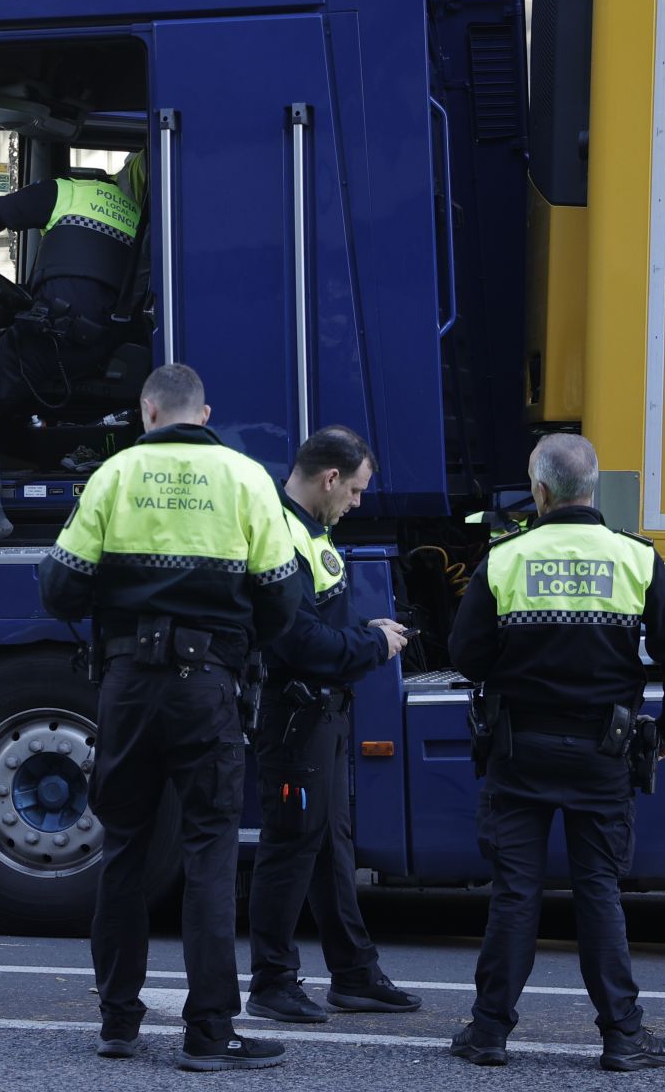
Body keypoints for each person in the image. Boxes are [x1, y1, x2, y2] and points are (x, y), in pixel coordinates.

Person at [39, 363, 308, 1071]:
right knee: (209, 853)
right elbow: (283, 601)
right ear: (203, 412)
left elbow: (61, 589)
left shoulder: (115, 475)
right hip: (207, 687)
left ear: (148, 411)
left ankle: (119, 1022)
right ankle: (208, 1034)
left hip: (127, 686)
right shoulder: (247, 478)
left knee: (125, 846)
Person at [446, 433, 665, 1071]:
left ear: (539, 490)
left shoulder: (506, 557)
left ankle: (487, 1035)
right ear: (592, 489)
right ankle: (622, 1037)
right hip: (602, 753)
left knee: (514, 893)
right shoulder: (636, 560)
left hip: (519, 750)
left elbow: (466, 655)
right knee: (597, 892)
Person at [246, 426, 424, 1023]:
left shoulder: (306, 528)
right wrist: (371, 643)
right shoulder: (281, 532)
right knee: (291, 846)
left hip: (319, 714)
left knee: (328, 847)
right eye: (354, 491)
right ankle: (273, 981)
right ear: (329, 479)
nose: (356, 502)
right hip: (297, 714)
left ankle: (353, 972)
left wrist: (361, 632)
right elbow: (298, 640)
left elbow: (317, 620)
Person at [0, 154, 146, 549]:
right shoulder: (139, 219)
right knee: (15, 384)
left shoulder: (70, 191)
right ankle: (16, 463)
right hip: (99, 342)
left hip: (52, 331)